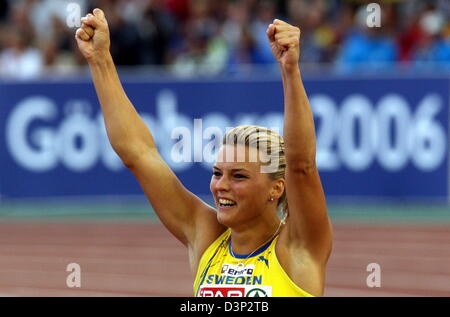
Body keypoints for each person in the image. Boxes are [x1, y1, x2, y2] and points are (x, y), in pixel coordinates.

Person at [75, 8, 332, 297]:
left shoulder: (298, 247)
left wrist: (290, 70)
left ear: (276, 188)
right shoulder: (207, 236)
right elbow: (138, 153)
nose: (221, 186)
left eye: (239, 176)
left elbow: (301, 165)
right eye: (217, 173)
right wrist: (100, 61)